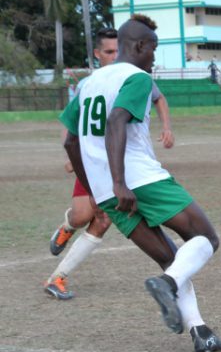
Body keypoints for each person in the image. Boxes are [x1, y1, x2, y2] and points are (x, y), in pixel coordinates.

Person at [59, 14, 221, 352]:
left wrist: (96, 188)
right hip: (138, 180)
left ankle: (201, 332)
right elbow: (117, 121)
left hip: (106, 192)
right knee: (206, 238)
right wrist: (121, 181)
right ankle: (166, 286)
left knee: (172, 259)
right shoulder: (137, 78)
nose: (154, 57)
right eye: (153, 49)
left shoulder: (88, 84)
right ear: (137, 46)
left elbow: (70, 143)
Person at [46, 28, 175, 300]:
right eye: (109, 52)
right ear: (97, 54)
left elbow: (159, 97)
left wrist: (166, 127)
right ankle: (67, 226)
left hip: (122, 167)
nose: (116, 55)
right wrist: (71, 157)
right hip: (93, 162)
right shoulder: (88, 84)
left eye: (118, 50)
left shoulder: (135, 77)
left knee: (102, 220)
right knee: (83, 216)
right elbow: (70, 126)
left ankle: (57, 277)